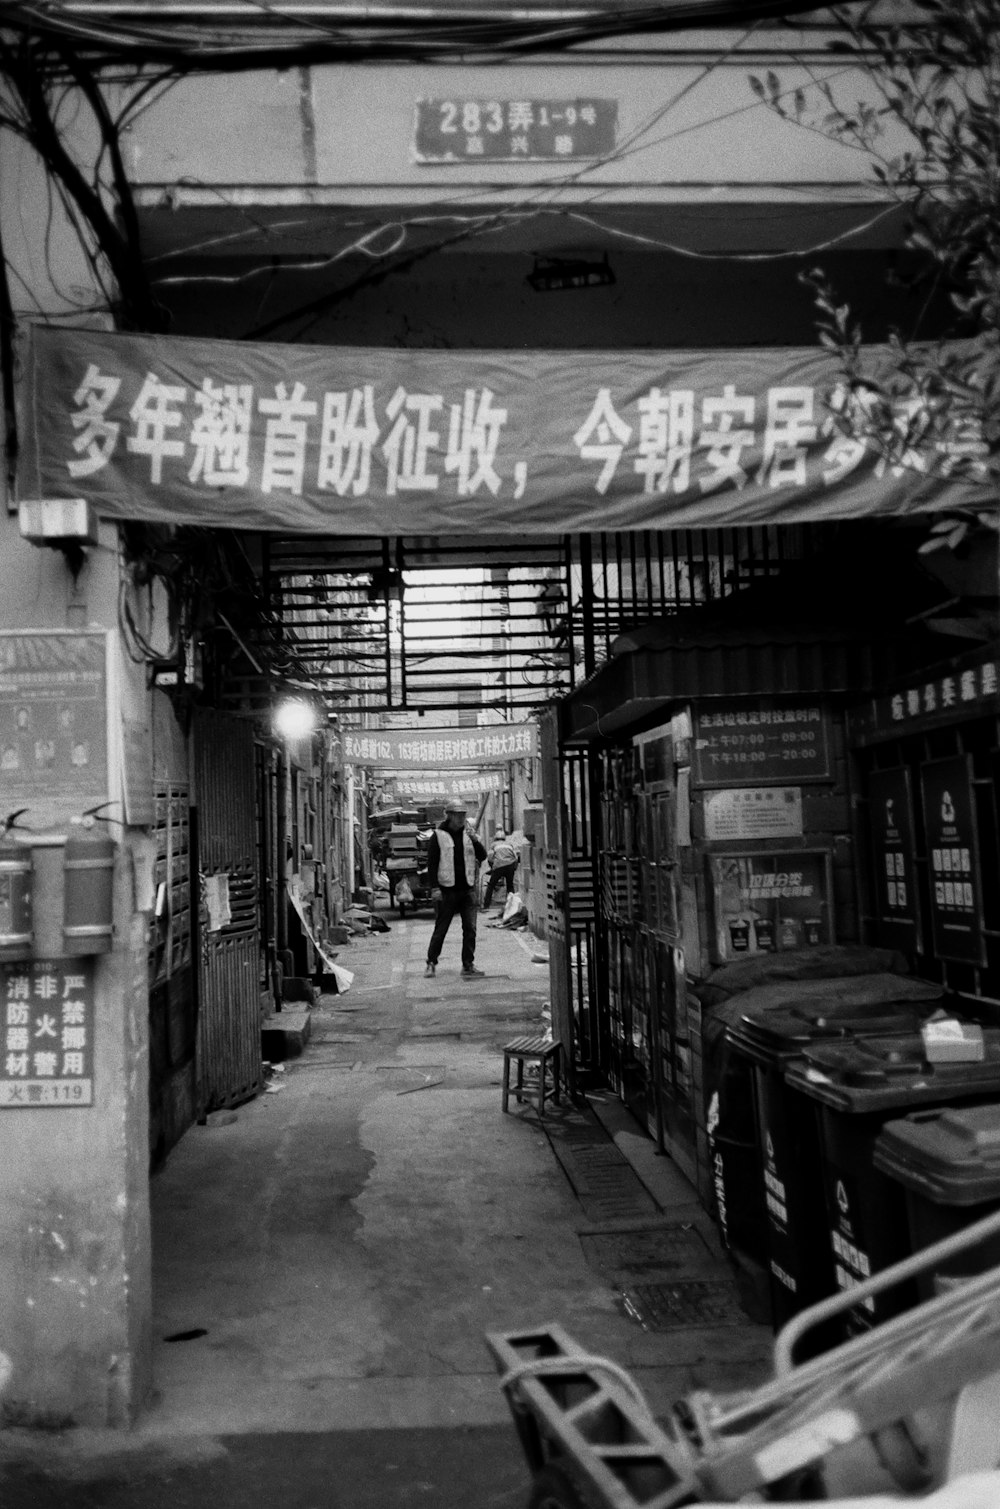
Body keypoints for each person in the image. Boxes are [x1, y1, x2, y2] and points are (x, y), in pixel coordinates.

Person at [424, 802, 487, 978]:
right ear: (449, 815)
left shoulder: (469, 835)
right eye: (458, 814)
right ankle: (431, 962)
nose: (462, 818)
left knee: (470, 929)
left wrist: (476, 840)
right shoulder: (438, 836)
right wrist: (435, 888)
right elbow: (432, 864)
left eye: (463, 814)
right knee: (441, 928)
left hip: (467, 889)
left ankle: (468, 964)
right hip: (446, 890)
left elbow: (482, 856)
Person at [482, 827, 519, 910]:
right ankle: (512, 907)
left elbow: (490, 858)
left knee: (491, 885)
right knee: (510, 885)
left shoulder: (494, 844)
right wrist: (514, 868)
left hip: (499, 865)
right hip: (510, 865)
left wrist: (492, 868)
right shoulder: (509, 844)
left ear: (495, 838)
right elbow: (516, 857)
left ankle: (486, 906)